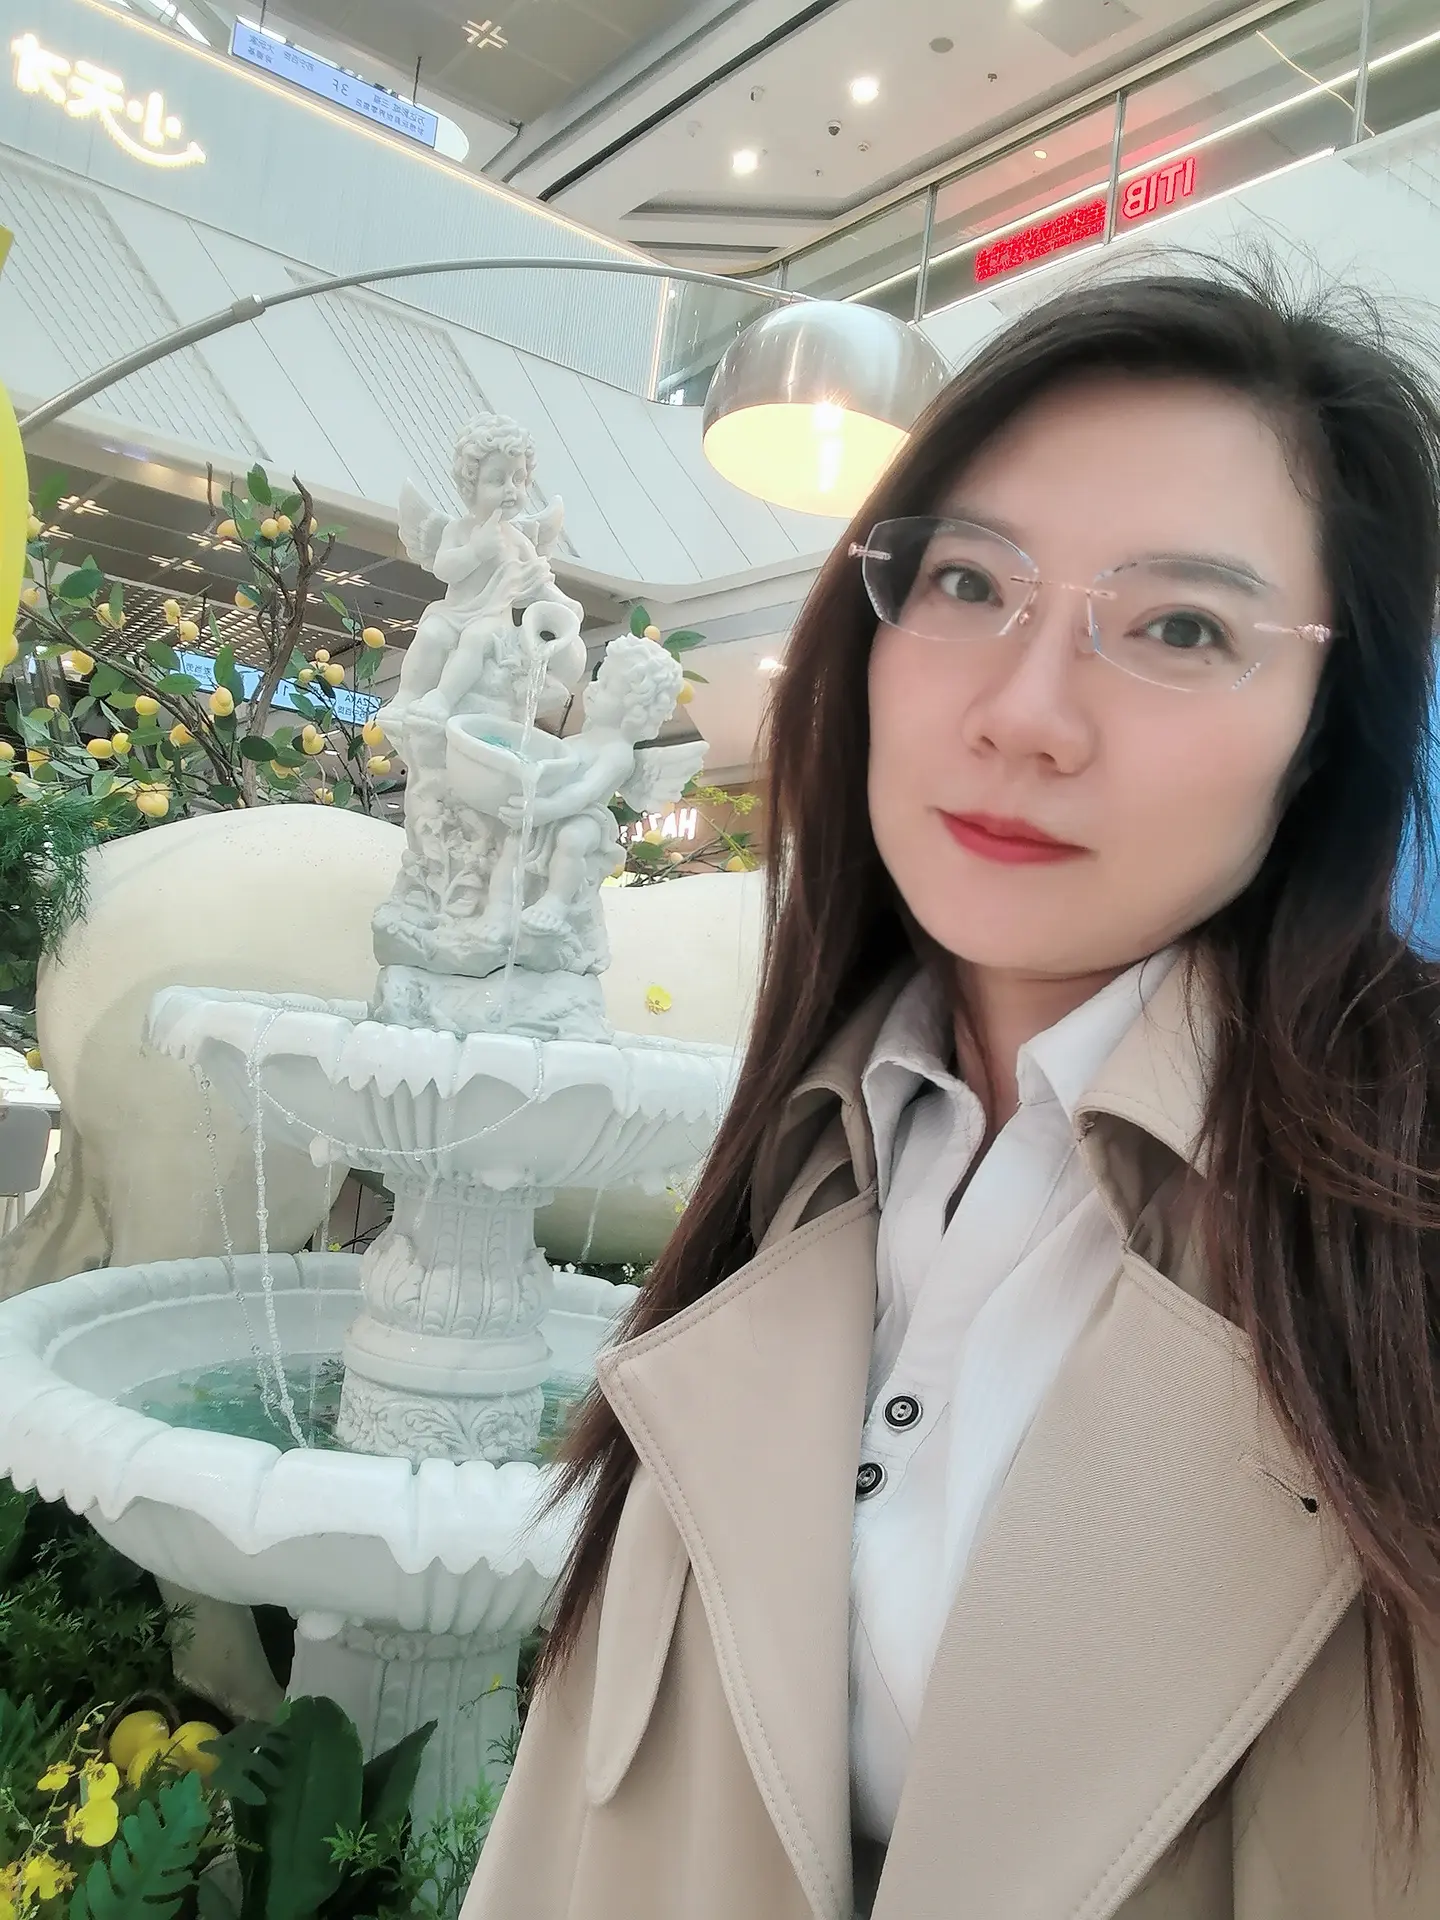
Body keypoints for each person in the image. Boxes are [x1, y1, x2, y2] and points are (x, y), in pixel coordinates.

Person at [461, 264, 1440, 1920]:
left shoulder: (1393, 1242)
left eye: (1181, 627)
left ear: (1325, 735)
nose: (1024, 715)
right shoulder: (803, 1162)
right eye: (971, 583)